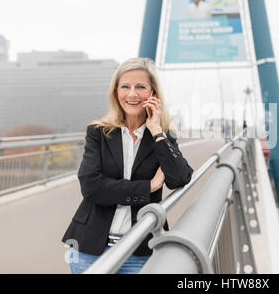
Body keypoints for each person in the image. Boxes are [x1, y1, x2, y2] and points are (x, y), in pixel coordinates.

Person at [61, 57, 193, 274]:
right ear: (116, 92)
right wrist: (148, 187)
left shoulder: (161, 135)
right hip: (89, 250)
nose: (132, 94)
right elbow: (91, 187)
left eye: (140, 86)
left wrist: (156, 130)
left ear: (153, 93)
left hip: (140, 251)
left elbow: (180, 178)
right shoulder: (98, 132)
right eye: (125, 86)